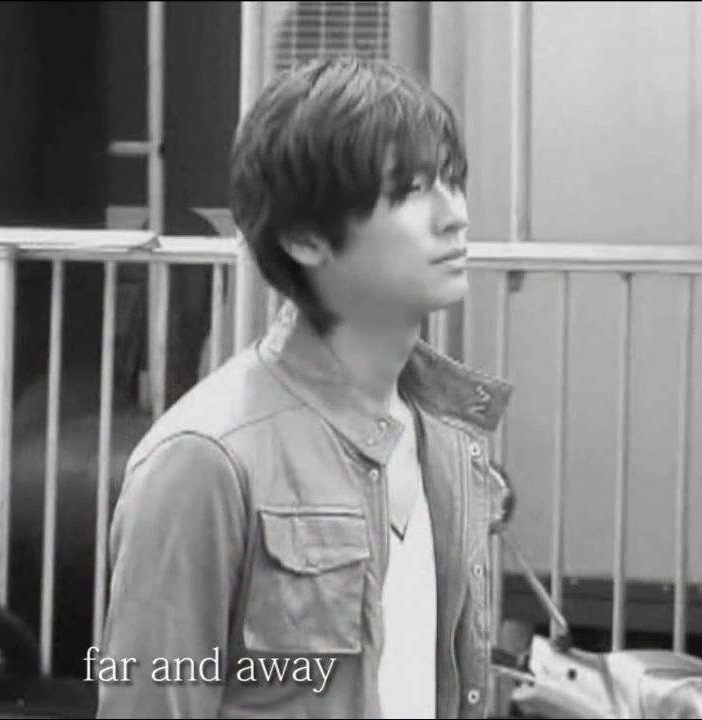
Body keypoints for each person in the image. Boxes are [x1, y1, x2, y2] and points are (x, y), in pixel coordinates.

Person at [95, 56, 514, 719]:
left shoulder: (446, 432)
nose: (454, 215)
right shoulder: (205, 459)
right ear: (304, 236)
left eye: (453, 181)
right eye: (411, 190)